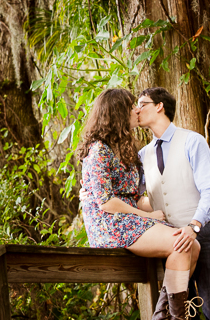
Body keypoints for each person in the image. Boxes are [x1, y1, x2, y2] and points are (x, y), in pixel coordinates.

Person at [78, 88, 201, 320]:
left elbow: (133, 198)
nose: (136, 109)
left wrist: (167, 208)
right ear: (116, 113)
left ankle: (162, 316)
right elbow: (106, 203)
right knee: (180, 244)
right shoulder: (98, 151)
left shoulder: (125, 150)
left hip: (127, 218)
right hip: (108, 225)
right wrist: (149, 216)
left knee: (193, 247)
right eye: (130, 106)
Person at [136, 87, 210, 320]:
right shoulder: (142, 155)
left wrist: (194, 226)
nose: (137, 110)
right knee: (183, 314)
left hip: (202, 234)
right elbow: (145, 199)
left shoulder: (192, 141)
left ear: (159, 106)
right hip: (172, 242)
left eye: (142, 104)